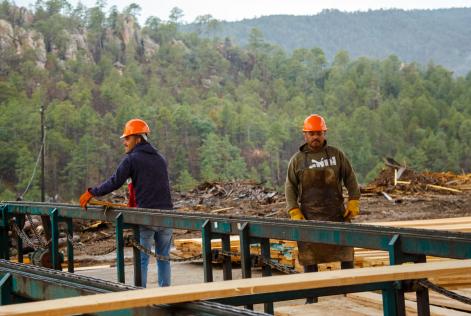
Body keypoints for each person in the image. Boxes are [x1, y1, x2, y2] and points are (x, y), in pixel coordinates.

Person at [79, 118, 173, 287]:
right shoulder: (160, 158)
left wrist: (92, 192)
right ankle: (165, 295)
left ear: (138, 138)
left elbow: (115, 181)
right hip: (167, 216)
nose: (124, 142)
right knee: (163, 258)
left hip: (146, 217)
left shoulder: (132, 159)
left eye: (127, 138)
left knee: (142, 260)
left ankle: (139, 297)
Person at [285, 114, 360, 303]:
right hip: (309, 217)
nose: (315, 137)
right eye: (311, 133)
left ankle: (349, 295)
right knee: (310, 258)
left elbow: (350, 178)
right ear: (305, 135)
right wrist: (294, 210)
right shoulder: (298, 160)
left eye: (318, 133)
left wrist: (354, 200)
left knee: (346, 256)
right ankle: (312, 299)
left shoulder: (336, 155)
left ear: (324, 132)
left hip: (336, 214)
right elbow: (290, 187)